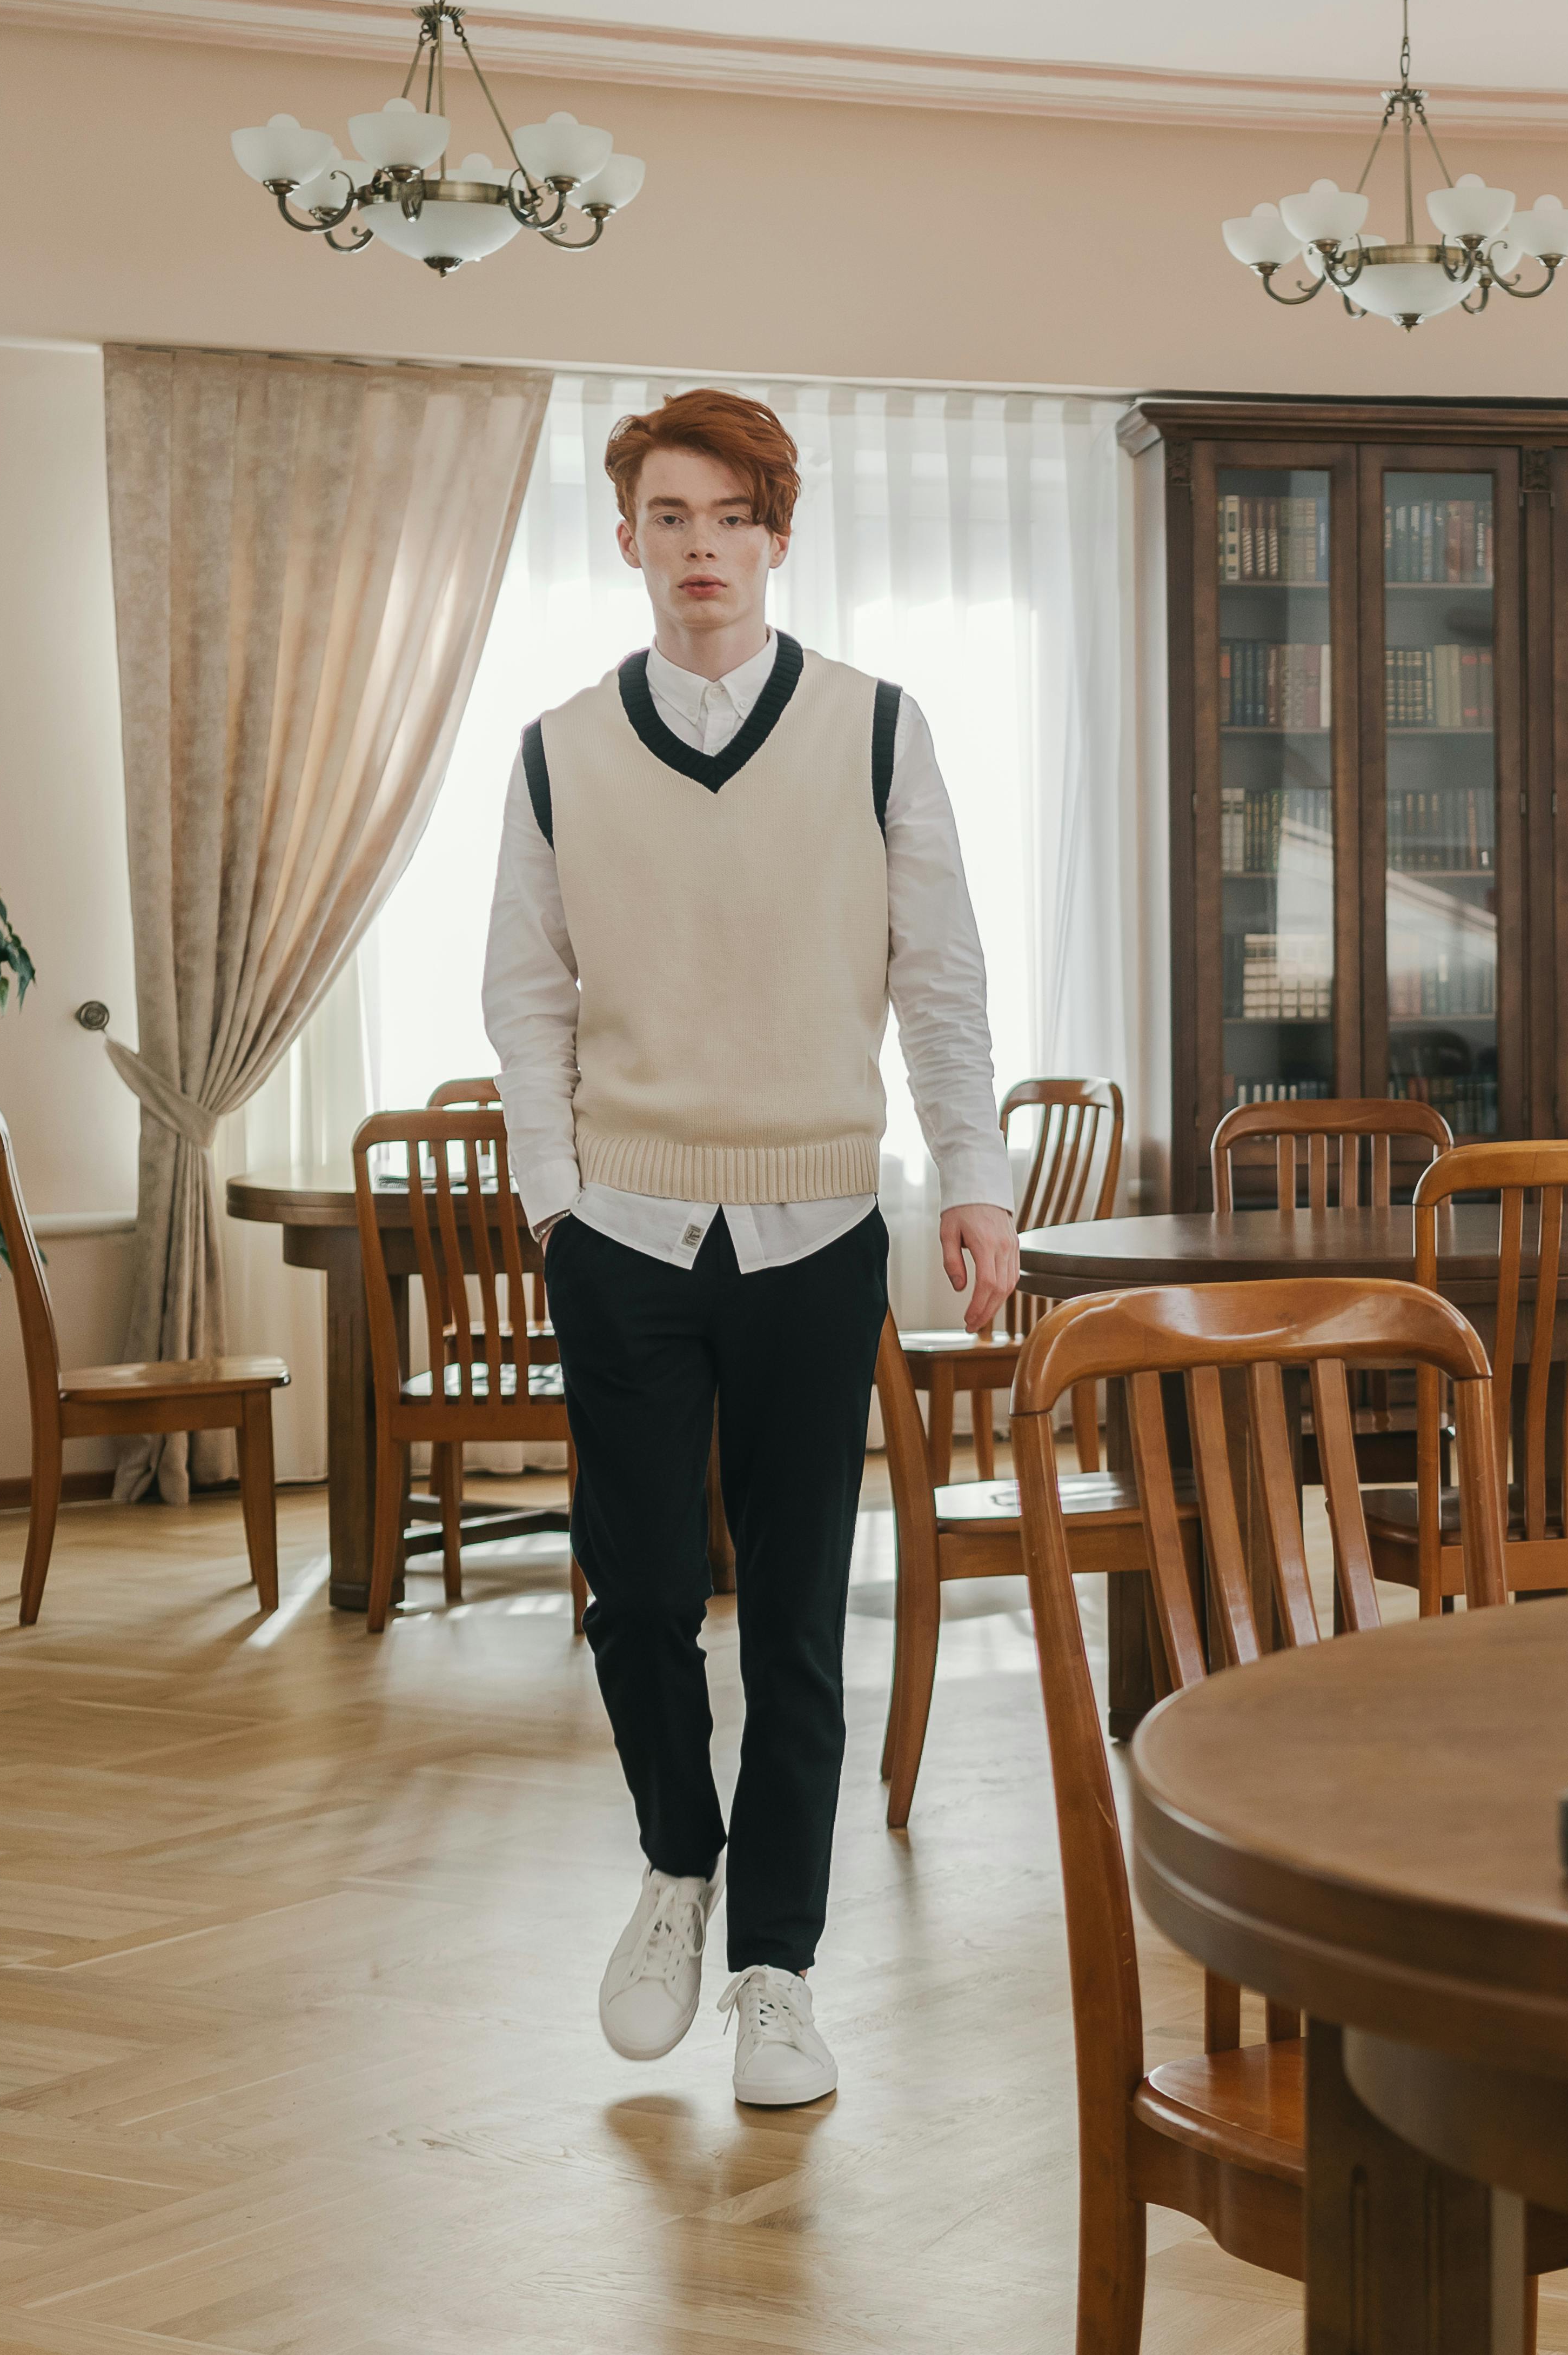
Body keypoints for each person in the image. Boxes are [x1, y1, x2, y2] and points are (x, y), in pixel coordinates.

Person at [483, 387, 1018, 2108]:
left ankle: (775, 1971)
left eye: (730, 516)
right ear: (625, 537)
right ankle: (676, 1867)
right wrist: (555, 1193)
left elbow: (938, 972)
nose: (700, 546)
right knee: (639, 1595)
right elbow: (524, 991)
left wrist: (973, 1176)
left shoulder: (874, 728)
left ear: (777, 535)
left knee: (793, 1614)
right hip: (626, 1225)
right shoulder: (561, 745)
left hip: (816, 1225)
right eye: (668, 516)